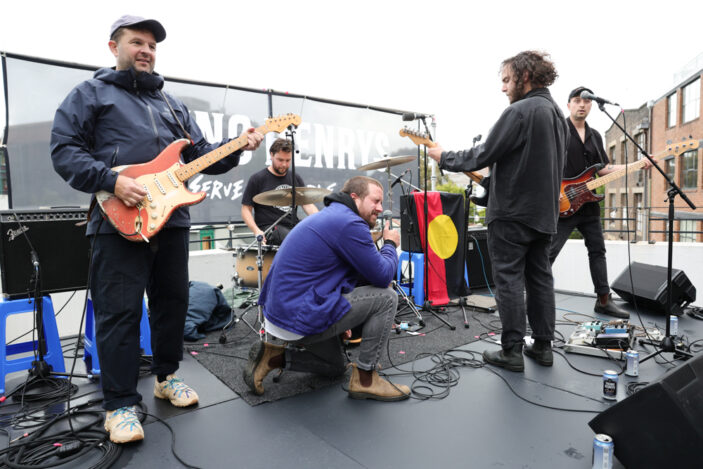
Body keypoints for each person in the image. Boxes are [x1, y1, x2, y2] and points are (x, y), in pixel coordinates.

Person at [50, 15, 263, 443]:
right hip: (117, 220)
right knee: (119, 312)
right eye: (137, 42)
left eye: (151, 45)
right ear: (114, 47)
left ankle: (167, 377)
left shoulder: (172, 104)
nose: (146, 50)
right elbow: (64, 150)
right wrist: (112, 181)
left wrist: (238, 148)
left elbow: (201, 155)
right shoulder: (90, 94)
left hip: (172, 219)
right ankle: (119, 405)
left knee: (172, 303)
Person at [428, 51, 568, 371]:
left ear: (525, 76)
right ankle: (543, 347)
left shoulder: (519, 112)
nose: (503, 87)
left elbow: (484, 153)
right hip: (545, 214)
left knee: (508, 280)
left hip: (511, 214)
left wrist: (444, 156)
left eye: (506, 80)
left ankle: (511, 351)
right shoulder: (558, 116)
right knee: (540, 279)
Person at [243, 176, 410, 401]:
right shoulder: (349, 223)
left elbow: (328, 275)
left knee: (335, 367)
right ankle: (366, 379)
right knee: (387, 297)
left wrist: (342, 317)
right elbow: (382, 276)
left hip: (280, 315)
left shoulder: (331, 216)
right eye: (376, 201)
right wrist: (390, 244)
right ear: (355, 198)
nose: (380, 208)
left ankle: (272, 357)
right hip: (297, 317)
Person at [549, 87, 652, 319]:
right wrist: (552, 190)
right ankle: (535, 297)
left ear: (592, 106)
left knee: (598, 251)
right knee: (548, 254)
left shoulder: (595, 135)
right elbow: (544, 163)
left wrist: (635, 165)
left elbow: (603, 168)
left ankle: (603, 301)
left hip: (589, 204)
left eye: (586, 101)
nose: (582, 105)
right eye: (577, 100)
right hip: (563, 202)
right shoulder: (557, 130)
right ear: (568, 105)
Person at [241, 138, 318, 245]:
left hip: (292, 227)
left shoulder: (295, 178)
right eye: (280, 160)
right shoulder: (258, 178)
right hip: (270, 228)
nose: (284, 164)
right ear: (271, 155)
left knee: (314, 237)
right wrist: (256, 230)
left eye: (288, 160)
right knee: (289, 238)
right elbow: (246, 209)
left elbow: (307, 205)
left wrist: (321, 222)